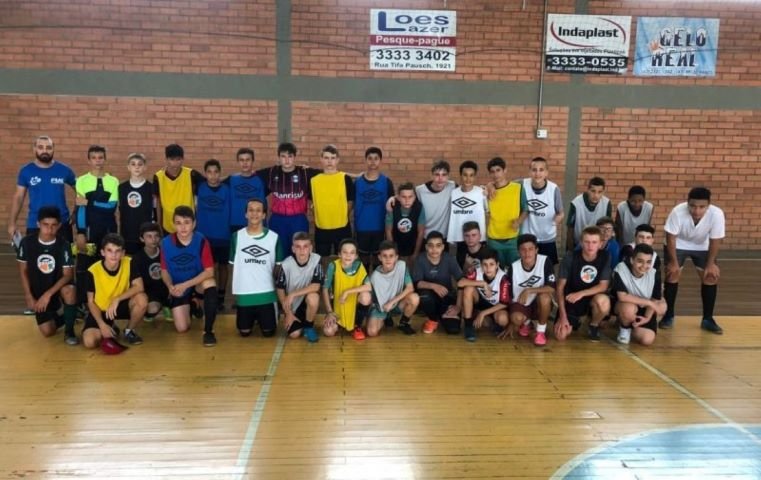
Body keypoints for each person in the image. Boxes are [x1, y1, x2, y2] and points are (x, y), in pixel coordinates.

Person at [660, 187, 725, 334]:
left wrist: (711, 264)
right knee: (672, 274)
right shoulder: (677, 211)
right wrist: (673, 263)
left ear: (708, 206)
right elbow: (671, 237)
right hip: (678, 244)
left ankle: (708, 319)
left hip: (703, 245)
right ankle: (668, 315)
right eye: (693, 206)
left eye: (702, 207)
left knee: (710, 276)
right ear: (687, 203)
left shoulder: (717, 214)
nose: (697, 211)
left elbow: (715, 240)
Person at [17, 206, 78, 345]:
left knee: (70, 290)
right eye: (45, 224)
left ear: (59, 226)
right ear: (38, 224)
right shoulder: (26, 243)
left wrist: (48, 295)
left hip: (57, 288)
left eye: (53, 225)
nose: (49, 229)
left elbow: (68, 275)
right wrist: (29, 296)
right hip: (39, 290)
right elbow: (23, 271)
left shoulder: (64, 244)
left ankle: (69, 331)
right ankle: (70, 314)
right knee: (48, 331)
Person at [160, 206, 219, 346]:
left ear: (194, 223)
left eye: (186, 222)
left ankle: (208, 331)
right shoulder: (165, 243)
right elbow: (164, 271)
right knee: (182, 328)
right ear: (174, 224)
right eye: (178, 223)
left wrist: (185, 285)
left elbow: (209, 271)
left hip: (196, 284)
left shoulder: (201, 240)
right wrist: (170, 286)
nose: (183, 227)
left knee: (210, 283)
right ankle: (193, 305)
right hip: (179, 288)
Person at [82, 233, 148, 349]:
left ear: (123, 253)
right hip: (101, 309)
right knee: (90, 342)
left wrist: (117, 299)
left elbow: (139, 286)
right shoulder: (92, 271)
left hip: (120, 305)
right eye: (109, 250)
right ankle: (110, 327)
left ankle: (129, 331)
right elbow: (91, 302)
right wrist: (102, 325)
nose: (114, 255)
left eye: (118, 251)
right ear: (102, 252)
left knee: (142, 299)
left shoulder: (129, 262)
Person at [229, 199, 283, 339]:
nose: (254, 214)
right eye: (251, 210)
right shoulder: (236, 237)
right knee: (244, 333)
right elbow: (233, 265)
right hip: (245, 295)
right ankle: (252, 318)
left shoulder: (274, 238)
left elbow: (278, 267)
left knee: (268, 333)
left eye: (258, 210)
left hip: (266, 294)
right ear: (246, 214)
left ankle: (268, 315)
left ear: (264, 215)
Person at [74, 145, 120, 307]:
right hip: (89, 230)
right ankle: (83, 303)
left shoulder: (113, 181)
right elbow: (80, 209)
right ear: (89, 160)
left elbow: (111, 208)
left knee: (108, 265)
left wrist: (89, 202)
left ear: (105, 159)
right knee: (85, 267)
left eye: (100, 157)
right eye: (94, 158)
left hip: (108, 231)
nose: (97, 161)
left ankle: (106, 301)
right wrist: (80, 232)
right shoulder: (81, 181)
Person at [8, 135, 76, 244]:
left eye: (48, 148)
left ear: (53, 149)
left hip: (61, 224)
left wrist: (76, 213)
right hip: (35, 224)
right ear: (34, 149)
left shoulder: (64, 170)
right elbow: (19, 197)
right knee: (33, 255)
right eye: (40, 147)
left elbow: (81, 192)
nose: (45, 151)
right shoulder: (26, 171)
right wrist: (12, 223)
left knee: (64, 255)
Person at [257, 142, 320, 257]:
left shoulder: (305, 172)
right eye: (283, 156)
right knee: (278, 253)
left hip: (298, 220)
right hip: (278, 219)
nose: (287, 160)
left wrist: (353, 175)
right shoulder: (271, 172)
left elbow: (330, 173)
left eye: (290, 156)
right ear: (279, 157)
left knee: (300, 253)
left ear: (295, 157)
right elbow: (248, 174)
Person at [554, 226, 612, 342]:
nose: (590, 246)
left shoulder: (605, 256)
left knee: (604, 302)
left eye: (594, 242)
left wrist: (581, 293)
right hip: (571, 299)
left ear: (600, 244)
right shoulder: (570, 257)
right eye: (587, 242)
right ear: (581, 243)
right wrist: (563, 316)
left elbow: (603, 286)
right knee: (561, 335)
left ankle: (593, 324)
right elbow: (560, 288)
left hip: (591, 298)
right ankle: (577, 320)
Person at [350, 241, 419, 336]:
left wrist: (391, 302)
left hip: (395, 304)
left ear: (396, 257)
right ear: (379, 257)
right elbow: (371, 296)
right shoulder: (375, 276)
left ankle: (404, 323)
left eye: (391, 256)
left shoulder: (401, 266)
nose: (388, 259)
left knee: (414, 298)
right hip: (381, 307)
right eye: (384, 256)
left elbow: (410, 288)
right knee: (371, 332)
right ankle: (385, 318)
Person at [506, 234, 556, 346]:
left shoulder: (545, 261)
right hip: (522, 303)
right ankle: (527, 324)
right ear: (518, 252)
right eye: (523, 249)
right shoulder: (513, 267)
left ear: (536, 250)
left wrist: (529, 290)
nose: (527, 253)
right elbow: (509, 296)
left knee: (545, 297)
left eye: (530, 249)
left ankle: (540, 332)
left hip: (538, 303)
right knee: (516, 319)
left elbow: (551, 288)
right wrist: (511, 322)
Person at [612, 244, 666, 346]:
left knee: (646, 340)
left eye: (648, 262)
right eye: (640, 261)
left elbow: (655, 299)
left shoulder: (654, 274)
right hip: (625, 305)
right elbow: (622, 296)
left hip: (644, 308)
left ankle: (633, 326)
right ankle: (625, 328)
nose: (644, 266)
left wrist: (647, 318)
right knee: (628, 309)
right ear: (632, 260)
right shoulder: (621, 269)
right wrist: (649, 303)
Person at [196, 159, 231, 310]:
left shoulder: (227, 189)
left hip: (223, 234)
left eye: (216, 172)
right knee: (209, 267)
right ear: (205, 174)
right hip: (205, 236)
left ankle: (221, 297)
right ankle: (210, 297)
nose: (213, 175)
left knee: (222, 266)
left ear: (220, 173)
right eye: (209, 172)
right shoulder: (199, 187)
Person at [276, 232, 323, 343]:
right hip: (293, 306)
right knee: (294, 334)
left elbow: (316, 286)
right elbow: (280, 290)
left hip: (306, 302)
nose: (302, 250)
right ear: (293, 249)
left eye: (305, 246)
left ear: (310, 248)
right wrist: (288, 313)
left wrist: (293, 294)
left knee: (313, 297)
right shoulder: (286, 264)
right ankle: (297, 321)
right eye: (298, 247)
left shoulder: (317, 259)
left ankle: (309, 326)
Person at [414, 231, 463, 335]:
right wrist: (434, 286)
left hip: (447, 297)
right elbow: (417, 283)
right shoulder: (420, 259)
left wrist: (458, 306)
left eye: (438, 245)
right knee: (424, 296)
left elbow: (461, 282)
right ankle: (433, 319)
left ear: (443, 247)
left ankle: (441, 315)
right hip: (429, 297)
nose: (434, 249)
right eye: (431, 246)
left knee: (453, 330)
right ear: (426, 247)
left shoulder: (449, 259)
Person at [457, 246, 510, 342]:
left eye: (491, 264)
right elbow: (460, 283)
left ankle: (492, 322)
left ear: (497, 265)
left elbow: (504, 303)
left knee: (503, 319)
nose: (488, 268)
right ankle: (468, 326)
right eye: (485, 264)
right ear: (481, 265)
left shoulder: (503, 278)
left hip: (496, 307)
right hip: (481, 302)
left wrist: (483, 313)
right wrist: (483, 283)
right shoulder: (477, 272)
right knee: (468, 289)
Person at [310, 145, 354, 258]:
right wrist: (318, 216)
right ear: (321, 159)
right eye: (326, 158)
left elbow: (350, 202)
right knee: (322, 259)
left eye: (333, 158)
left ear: (337, 160)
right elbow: (311, 202)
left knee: (345, 259)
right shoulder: (314, 180)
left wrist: (342, 215)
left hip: (342, 227)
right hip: (322, 227)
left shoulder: (345, 178)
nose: (329, 161)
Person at [354, 147, 395, 269]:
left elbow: (392, 206)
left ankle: (377, 280)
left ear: (380, 161)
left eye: (376, 158)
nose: (373, 162)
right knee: (363, 261)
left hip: (380, 228)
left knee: (379, 260)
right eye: (370, 158)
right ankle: (364, 280)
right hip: (362, 227)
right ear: (365, 160)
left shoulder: (386, 182)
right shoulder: (357, 182)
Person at [322, 239, 371, 340]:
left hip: (353, 306)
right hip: (337, 308)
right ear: (339, 254)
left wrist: (347, 292)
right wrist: (329, 312)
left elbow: (369, 286)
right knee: (328, 331)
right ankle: (339, 324)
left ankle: (357, 326)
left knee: (366, 296)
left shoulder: (359, 266)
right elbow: (325, 289)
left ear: (356, 256)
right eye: (345, 252)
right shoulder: (333, 266)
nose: (348, 255)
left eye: (352, 253)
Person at [521, 157, 564, 265]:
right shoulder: (522, 184)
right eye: (534, 170)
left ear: (546, 173)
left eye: (541, 170)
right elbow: (504, 185)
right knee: (527, 268)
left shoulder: (554, 189)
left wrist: (557, 220)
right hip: (528, 238)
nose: (537, 173)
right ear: (529, 172)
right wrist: (490, 186)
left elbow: (561, 213)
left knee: (549, 268)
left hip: (547, 238)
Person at [153, 144, 204, 234]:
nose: (175, 163)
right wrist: (158, 224)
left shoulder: (191, 174)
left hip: (188, 224)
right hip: (167, 225)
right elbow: (158, 202)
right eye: (172, 159)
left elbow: (211, 182)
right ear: (166, 159)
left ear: (182, 159)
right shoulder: (158, 177)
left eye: (178, 159)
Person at [486, 156, 527, 267]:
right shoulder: (487, 192)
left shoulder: (518, 188)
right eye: (492, 172)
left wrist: (518, 222)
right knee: (497, 272)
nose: (496, 174)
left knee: (515, 270)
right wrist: (489, 186)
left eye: (498, 170)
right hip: (494, 240)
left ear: (505, 170)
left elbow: (526, 210)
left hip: (513, 239)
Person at [447, 160, 488, 267]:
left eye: (471, 175)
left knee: (479, 268)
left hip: (478, 239)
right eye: (465, 175)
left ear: (475, 177)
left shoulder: (481, 192)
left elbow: (488, 212)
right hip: (460, 237)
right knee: (461, 268)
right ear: (460, 175)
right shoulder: (454, 193)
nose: (468, 179)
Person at [131, 222, 170, 322]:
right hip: (150, 293)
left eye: (156, 236)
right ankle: (159, 307)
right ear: (142, 239)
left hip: (167, 290)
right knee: (152, 309)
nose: (153, 239)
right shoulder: (137, 258)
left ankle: (168, 305)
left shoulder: (167, 253)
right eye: (149, 236)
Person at [118, 153, 155, 255]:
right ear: (128, 167)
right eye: (133, 164)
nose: (137, 167)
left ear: (145, 167)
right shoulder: (122, 188)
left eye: (140, 164)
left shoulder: (151, 188)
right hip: (127, 235)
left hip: (145, 236)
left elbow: (155, 211)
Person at [226, 147, 268, 233]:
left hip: (255, 224)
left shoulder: (260, 181)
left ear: (252, 161)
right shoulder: (231, 180)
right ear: (238, 162)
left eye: (248, 160)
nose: (245, 163)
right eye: (241, 160)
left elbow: (263, 205)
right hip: (235, 224)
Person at [566, 176, 611, 252]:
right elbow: (570, 228)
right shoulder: (576, 203)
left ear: (603, 192)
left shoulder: (606, 203)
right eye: (593, 191)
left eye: (599, 192)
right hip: (579, 244)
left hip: (598, 245)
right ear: (588, 190)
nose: (596, 195)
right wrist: (571, 251)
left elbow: (608, 227)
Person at [385, 182, 425, 265]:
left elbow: (421, 232)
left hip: (412, 246)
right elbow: (388, 231)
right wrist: (393, 253)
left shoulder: (419, 207)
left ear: (415, 197)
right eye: (404, 197)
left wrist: (416, 253)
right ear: (398, 197)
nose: (407, 200)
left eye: (410, 197)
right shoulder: (392, 206)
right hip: (397, 245)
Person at [415, 160, 456, 239]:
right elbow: (406, 197)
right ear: (431, 175)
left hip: (444, 237)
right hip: (425, 237)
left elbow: (467, 191)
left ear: (448, 176)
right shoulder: (419, 190)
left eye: (444, 175)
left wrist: (481, 190)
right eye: (437, 174)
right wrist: (394, 198)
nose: (440, 178)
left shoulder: (452, 186)